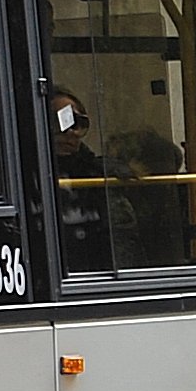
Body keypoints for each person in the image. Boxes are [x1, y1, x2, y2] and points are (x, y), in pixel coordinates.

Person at [49, 87, 112, 273]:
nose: (72, 132)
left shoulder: (95, 174)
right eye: (59, 121)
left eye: (79, 123)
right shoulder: (23, 180)